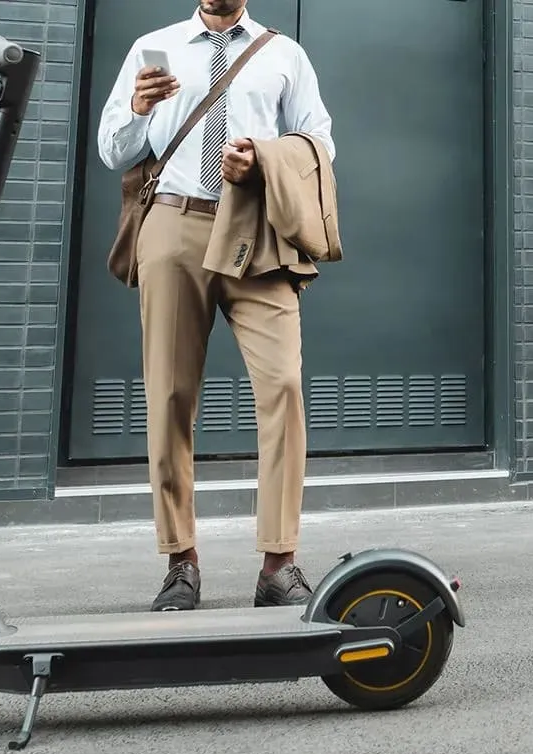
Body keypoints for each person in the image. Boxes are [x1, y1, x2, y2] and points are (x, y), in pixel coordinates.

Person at [96, 0, 335, 612]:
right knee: (170, 394)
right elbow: (113, 149)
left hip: (255, 225)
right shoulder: (156, 47)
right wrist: (139, 110)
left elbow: (320, 144)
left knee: (282, 384)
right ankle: (180, 561)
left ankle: (279, 563)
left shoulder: (285, 53)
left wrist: (264, 158)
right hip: (173, 224)